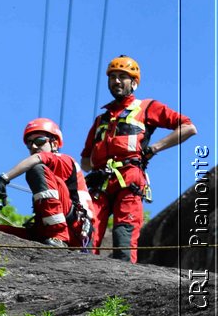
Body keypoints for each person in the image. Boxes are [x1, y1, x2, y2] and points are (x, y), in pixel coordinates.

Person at [81, 56, 197, 262]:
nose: (116, 81)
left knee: (123, 234)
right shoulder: (101, 120)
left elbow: (188, 127)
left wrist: (155, 148)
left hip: (129, 178)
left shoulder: (146, 107)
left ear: (134, 83)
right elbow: (85, 162)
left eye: (122, 77)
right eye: (113, 77)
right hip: (101, 183)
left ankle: (122, 287)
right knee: (88, 233)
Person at [0, 119, 95, 248]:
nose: (34, 147)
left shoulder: (64, 160)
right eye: (29, 144)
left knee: (36, 169)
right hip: (51, 228)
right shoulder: (48, 173)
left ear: (55, 144)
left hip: (75, 227)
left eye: (39, 141)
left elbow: (37, 159)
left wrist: (5, 178)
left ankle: (59, 235)